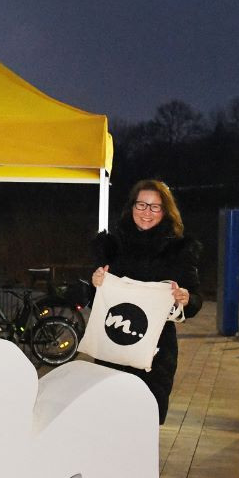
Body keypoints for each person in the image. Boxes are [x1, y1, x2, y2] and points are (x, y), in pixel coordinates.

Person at [91, 179, 202, 424]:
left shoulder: (179, 250)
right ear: (131, 207)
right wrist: (95, 282)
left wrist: (184, 298)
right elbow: (94, 301)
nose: (146, 212)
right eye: (141, 205)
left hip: (156, 353)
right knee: (109, 418)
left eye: (155, 207)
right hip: (114, 345)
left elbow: (195, 300)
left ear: (165, 211)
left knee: (145, 419)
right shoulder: (111, 246)